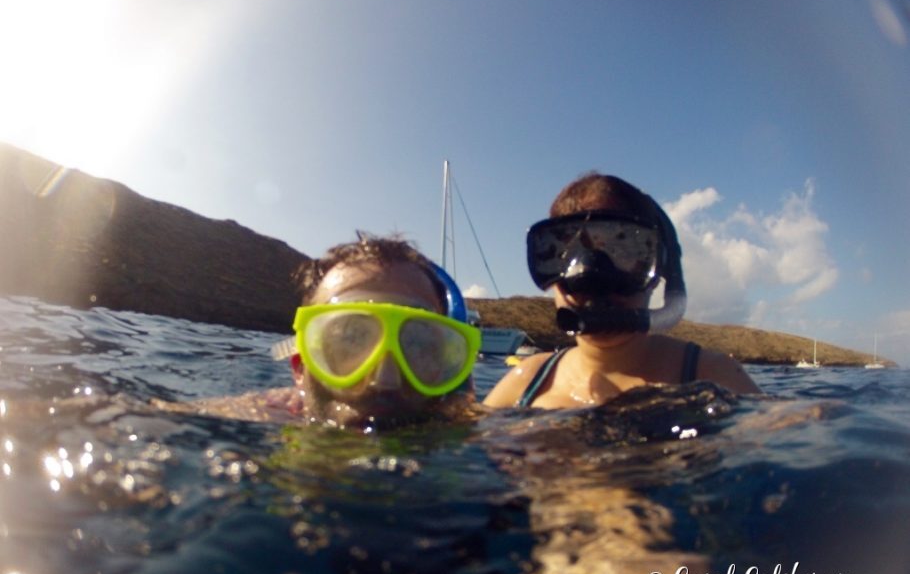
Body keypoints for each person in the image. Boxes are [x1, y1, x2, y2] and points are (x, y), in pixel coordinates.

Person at [484, 173, 759, 409]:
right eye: (565, 256)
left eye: (623, 254)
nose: (592, 278)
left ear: (659, 274)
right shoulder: (528, 381)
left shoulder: (711, 376)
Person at [158, 235, 481, 429]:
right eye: (350, 339)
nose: (385, 381)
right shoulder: (257, 414)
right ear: (299, 365)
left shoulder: (481, 431)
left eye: (419, 344)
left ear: (449, 369)